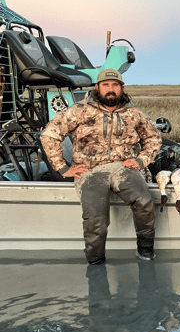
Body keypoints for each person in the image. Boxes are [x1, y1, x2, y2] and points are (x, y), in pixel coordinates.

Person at [40, 68, 162, 264]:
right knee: (96, 218)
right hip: (90, 171)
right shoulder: (79, 110)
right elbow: (49, 135)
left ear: (122, 88)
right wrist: (63, 168)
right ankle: (96, 262)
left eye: (115, 85)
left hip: (124, 169)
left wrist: (141, 160)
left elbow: (154, 137)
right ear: (97, 87)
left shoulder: (133, 114)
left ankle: (145, 251)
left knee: (144, 201)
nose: (110, 89)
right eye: (106, 85)